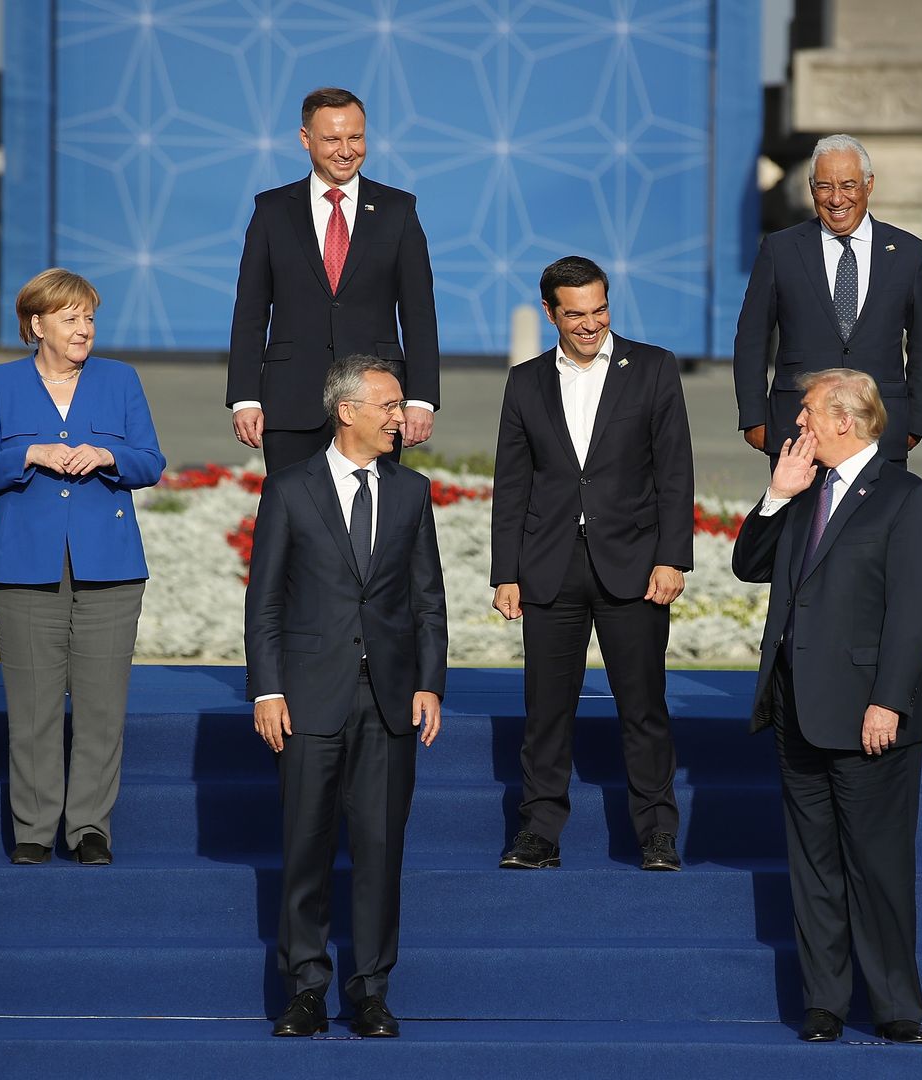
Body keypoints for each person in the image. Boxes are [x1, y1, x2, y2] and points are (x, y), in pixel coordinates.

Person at [731, 369, 922, 1045]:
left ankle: (894, 1006)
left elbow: (914, 614)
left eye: (810, 416)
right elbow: (748, 565)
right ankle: (823, 1001)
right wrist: (773, 495)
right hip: (798, 709)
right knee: (813, 866)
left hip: (867, 718)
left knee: (877, 866)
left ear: (845, 422)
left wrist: (887, 703)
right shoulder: (803, 492)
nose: (801, 427)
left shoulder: (906, 498)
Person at [245, 355, 447, 1039]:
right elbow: (265, 600)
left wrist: (429, 682)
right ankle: (305, 986)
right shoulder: (290, 489)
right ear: (348, 410)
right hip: (306, 697)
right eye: (390, 405)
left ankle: (370, 991)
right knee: (305, 845)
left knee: (380, 848)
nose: (401, 416)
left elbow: (429, 602)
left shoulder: (413, 493)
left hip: (389, 700)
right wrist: (267, 687)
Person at [489, 257, 694, 872]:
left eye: (599, 310)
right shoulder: (525, 383)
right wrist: (506, 572)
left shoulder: (653, 368)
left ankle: (656, 833)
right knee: (546, 710)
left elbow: (674, 472)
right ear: (550, 313)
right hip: (549, 565)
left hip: (633, 564)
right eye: (575, 314)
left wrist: (671, 558)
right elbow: (512, 484)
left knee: (644, 707)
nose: (590, 324)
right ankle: (539, 833)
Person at [0, 269, 165, 867]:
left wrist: (109, 455)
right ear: (36, 325)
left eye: (89, 319)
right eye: (70, 318)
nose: (83, 330)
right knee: (32, 705)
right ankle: (33, 826)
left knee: (102, 707)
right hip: (24, 566)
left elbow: (151, 459)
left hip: (110, 566)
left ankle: (90, 828)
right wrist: (28, 453)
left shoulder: (121, 380)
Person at [228, 86, 440, 474]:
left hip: (375, 402)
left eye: (355, 137)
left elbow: (419, 314)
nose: (346, 150)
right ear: (305, 139)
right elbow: (250, 313)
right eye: (332, 139)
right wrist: (245, 397)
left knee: (370, 521)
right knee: (294, 520)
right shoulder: (272, 211)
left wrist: (421, 399)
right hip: (291, 400)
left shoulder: (398, 210)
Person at [733, 134, 922, 463]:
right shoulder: (781, 250)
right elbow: (751, 336)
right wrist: (754, 416)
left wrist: (915, 421)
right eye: (825, 187)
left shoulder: (908, 253)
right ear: (812, 188)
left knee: (877, 516)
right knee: (802, 517)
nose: (836, 199)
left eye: (848, 185)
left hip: (881, 425)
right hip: (797, 427)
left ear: (868, 185)